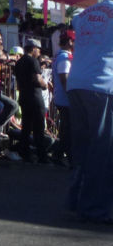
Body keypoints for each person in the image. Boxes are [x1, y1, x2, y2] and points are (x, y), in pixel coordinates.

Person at [66, 0, 113, 224]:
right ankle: (95, 208)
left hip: (77, 83)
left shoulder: (83, 14)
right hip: (104, 84)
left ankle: (76, 200)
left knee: (83, 148)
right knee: (104, 150)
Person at [13, 38, 48, 163]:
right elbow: (37, 79)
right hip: (34, 96)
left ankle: (24, 152)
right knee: (39, 126)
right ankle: (42, 155)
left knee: (26, 126)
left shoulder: (19, 62)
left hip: (23, 95)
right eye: (38, 50)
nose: (38, 52)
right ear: (34, 48)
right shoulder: (33, 61)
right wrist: (45, 85)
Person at [52, 30, 74, 166]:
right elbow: (64, 78)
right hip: (65, 99)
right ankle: (61, 156)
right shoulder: (64, 58)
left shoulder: (62, 56)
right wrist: (72, 95)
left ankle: (59, 155)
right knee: (67, 130)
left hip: (63, 98)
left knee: (66, 129)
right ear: (69, 42)